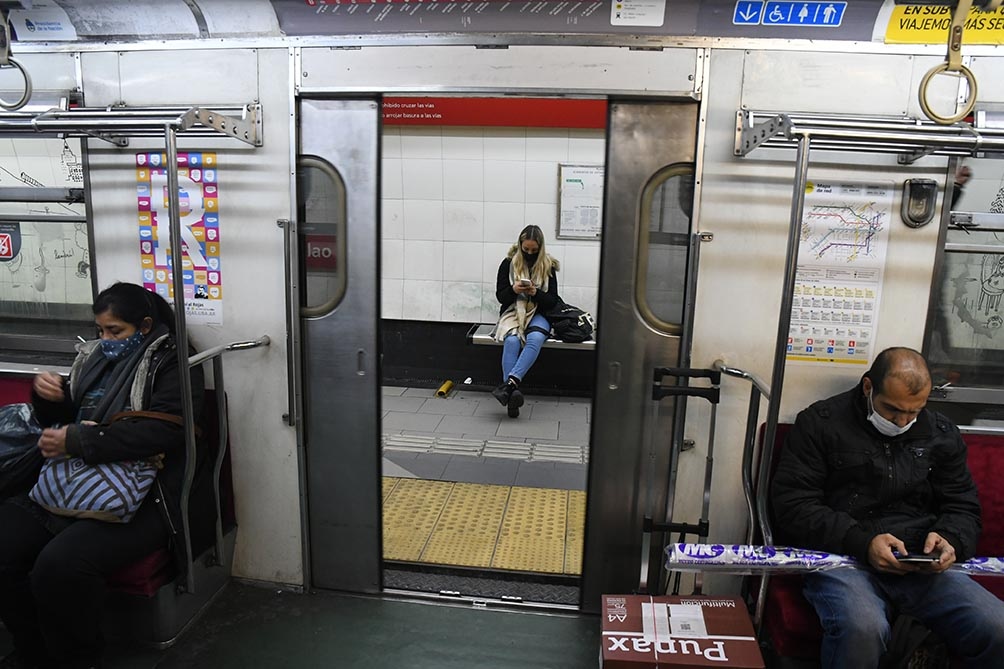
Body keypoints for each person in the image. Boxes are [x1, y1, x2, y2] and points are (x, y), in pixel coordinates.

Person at [0, 282, 208, 669]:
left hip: (141, 495)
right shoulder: (93, 360)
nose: (105, 339)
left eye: (115, 331)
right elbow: (65, 421)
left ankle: (78, 658)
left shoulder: (173, 363)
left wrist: (82, 440)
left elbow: (168, 429)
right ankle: (33, 649)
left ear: (145, 326)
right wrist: (50, 399)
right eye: (100, 330)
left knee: (59, 566)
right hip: (68, 482)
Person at [771, 347, 1004, 668]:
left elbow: (963, 505)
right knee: (862, 629)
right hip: (843, 558)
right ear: (868, 388)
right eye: (893, 410)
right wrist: (863, 543)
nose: (903, 421)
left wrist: (950, 539)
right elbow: (793, 506)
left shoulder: (940, 433)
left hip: (918, 563)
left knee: (997, 626)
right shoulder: (820, 424)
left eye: (915, 411)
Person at [491, 225, 560, 418]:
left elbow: (552, 301)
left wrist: (535, 293)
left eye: (534, 251)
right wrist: (514, 290)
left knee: (535, 338)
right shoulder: (508, 263)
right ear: (520, 245)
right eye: (526, 249)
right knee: (512, 341)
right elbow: (501, 296)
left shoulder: (548, 265)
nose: (529, 253)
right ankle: (512, 396)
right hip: (514, 310)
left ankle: (509, 386)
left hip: (539, 311)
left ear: (540, 248)